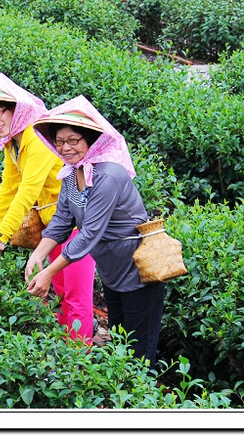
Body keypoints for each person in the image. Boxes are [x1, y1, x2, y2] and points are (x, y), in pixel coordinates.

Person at [25, 95, 165, 369]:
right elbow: (62, 220)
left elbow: (89, 233)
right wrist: (38, 255)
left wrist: (49, 272)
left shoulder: (108, 175)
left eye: (73, 140)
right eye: (60, 141)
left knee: (139, 355)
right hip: (112, 273)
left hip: (138, 273)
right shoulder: (71, 173)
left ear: (89, 141)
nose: (65, 147)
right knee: (120, 346)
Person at [0, 74, 96, 342]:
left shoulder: (36, 137)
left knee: (76, 297)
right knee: (61, 293)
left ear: (16, 109)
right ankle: (67, 353)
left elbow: (27, 191)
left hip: (78, 225)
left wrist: (2, 235)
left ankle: (81, 357)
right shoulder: (13, 141)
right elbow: (8, 189)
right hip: (54, 227)